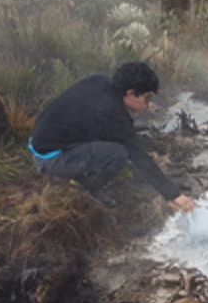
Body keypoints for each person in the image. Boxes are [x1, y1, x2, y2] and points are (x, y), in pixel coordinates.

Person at [29, 61, 195, 212]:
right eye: (147, 98)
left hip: (41, 141)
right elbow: (139, 157)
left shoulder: (99, 81)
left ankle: (80, 174)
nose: (149, 104)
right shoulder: (112, 115)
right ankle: (88, 187)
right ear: (130, 93)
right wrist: (172, 195)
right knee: (118, 154)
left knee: (111, 143)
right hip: (49, 158)